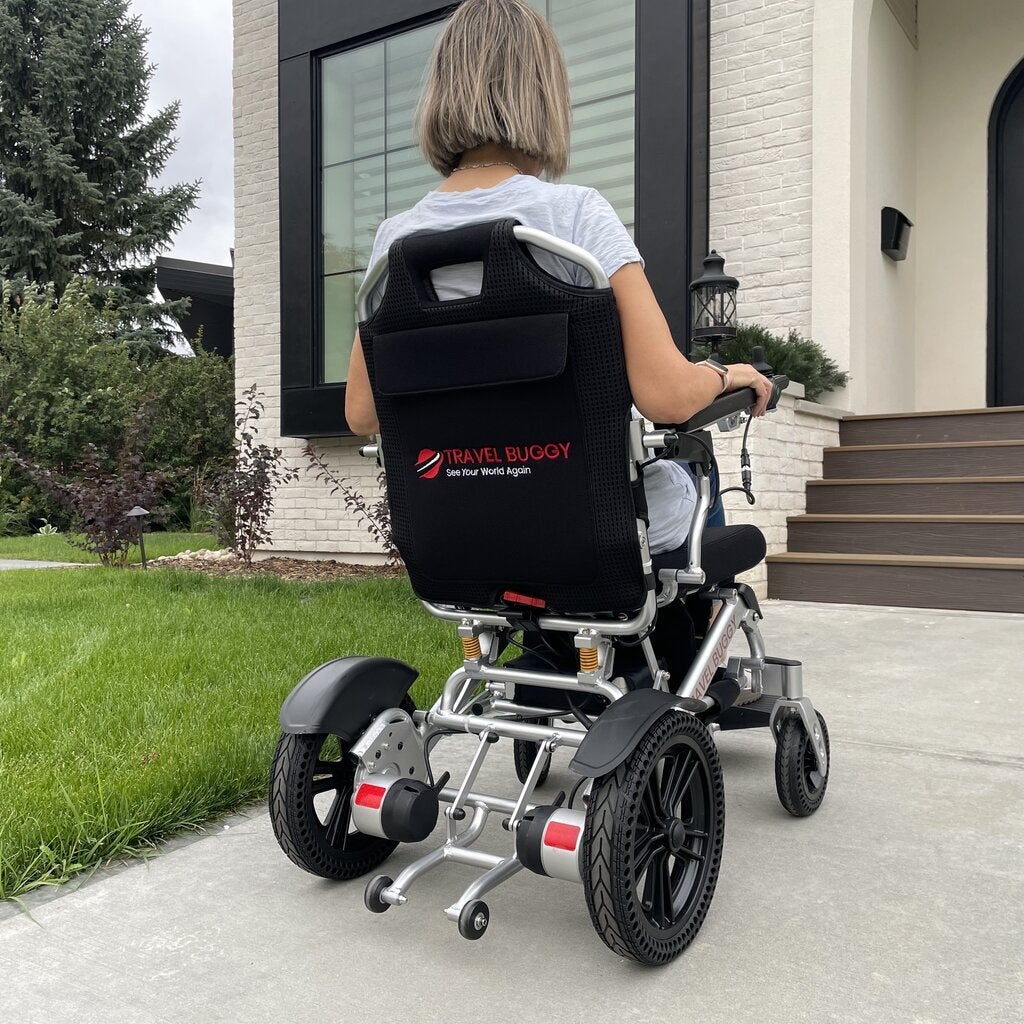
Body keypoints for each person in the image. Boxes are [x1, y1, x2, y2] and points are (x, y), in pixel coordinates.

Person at [345, 0, 773, 557]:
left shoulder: (394, 245)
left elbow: (361, 413)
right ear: (545, 96)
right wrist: (726, 373)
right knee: (694, 474)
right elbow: (669, 397)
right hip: (587, 531)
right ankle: (678, 635)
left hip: (455, 529)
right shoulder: (575, 216)